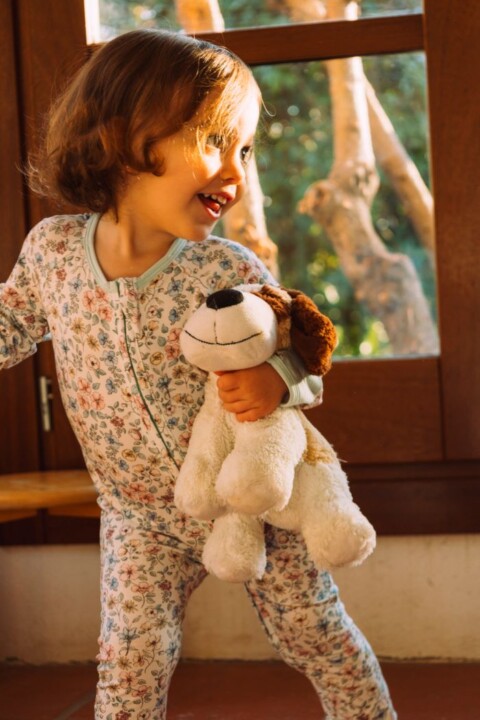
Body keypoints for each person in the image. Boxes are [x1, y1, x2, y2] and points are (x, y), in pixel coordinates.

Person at [0, 29, 396, 720]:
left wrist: (278, 380)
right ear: (124, 135)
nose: (236, 172)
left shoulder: (229, 270)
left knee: (316, 635)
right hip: (139, 516)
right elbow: (8, 325)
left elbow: (308, 366)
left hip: (256, 500)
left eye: (245, 150)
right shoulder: (52, 253)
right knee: (128, 664)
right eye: (216, 141)